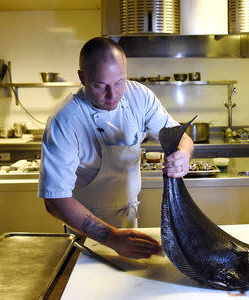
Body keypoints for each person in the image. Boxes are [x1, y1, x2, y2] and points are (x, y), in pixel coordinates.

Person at [38, 37, 194, 259]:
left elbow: (181, 137)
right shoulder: (65, 121)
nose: (112, 95)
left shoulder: (139, 96)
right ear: (82, 77)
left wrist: (184, 154)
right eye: (100, 86)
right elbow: (55, 200)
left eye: (119, 81)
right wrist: (112, 238)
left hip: (128, 223)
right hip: (84, 231)